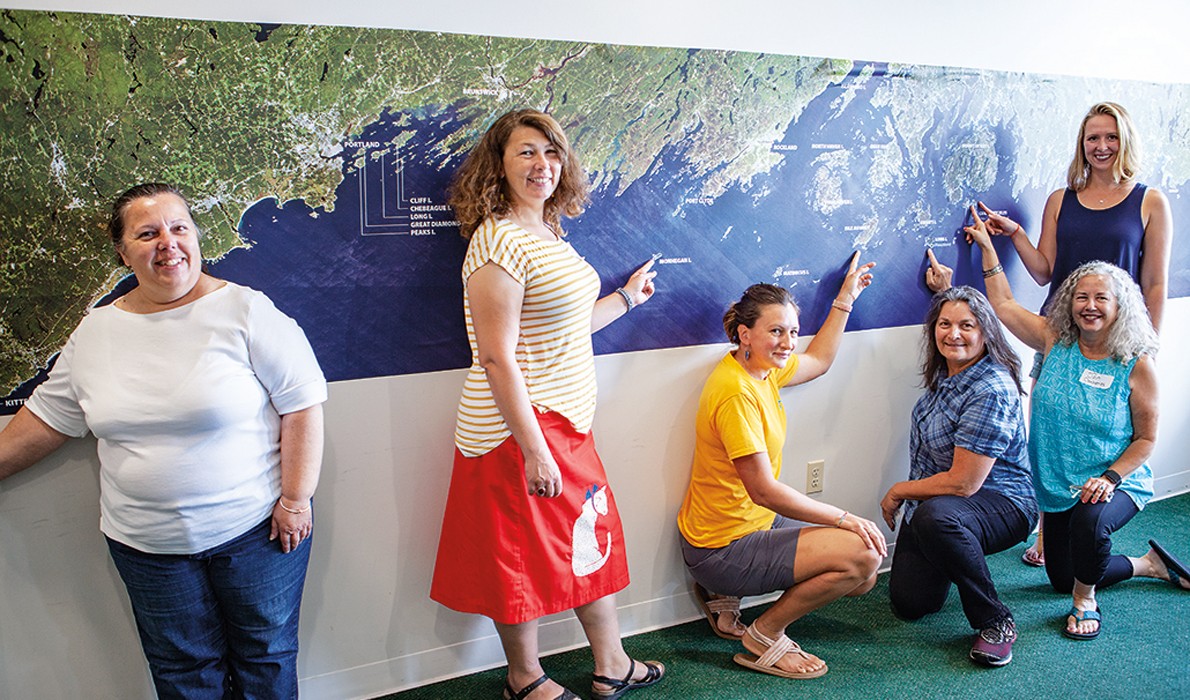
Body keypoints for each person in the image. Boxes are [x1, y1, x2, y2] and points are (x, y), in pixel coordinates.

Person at [0, 183, 327, 698]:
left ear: (196, 236)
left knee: (265, 660)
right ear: (123, 251)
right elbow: (47, 419)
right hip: (147, 547)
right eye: (147, 233)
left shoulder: (245, 311)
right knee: (182, 674)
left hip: (256, 534)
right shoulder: (95, 333)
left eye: (179, 228)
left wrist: (295, 498)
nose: (168, 243)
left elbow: (303, 404)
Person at [429, 109, 664, 700]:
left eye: (551, 152)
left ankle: (611, 663)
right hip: (516, 431)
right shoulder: (497, 240)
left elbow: (567, 327)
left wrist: (626, 301)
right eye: (526, 152)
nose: (542, 164)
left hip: (566, 422)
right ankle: (524, 678)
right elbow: (497, 357)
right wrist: (534, 450)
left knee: (590, 536)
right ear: (498, 164)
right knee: (517, 554)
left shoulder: (549, 233)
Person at [928, 101, 1172, 568]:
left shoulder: (1150, 202)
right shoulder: (1062, 200)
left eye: (1110, 137)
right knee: (1050, 433)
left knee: (1111, 433)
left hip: (1119, 343)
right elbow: (1043, 271)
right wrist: (1015, 235)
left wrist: (1144, 349)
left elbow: (1155, 283)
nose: (1101, 147)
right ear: (1082, 146)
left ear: (1125, 142)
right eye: (1092, 139)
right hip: (1060, 336)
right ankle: (1048, 527)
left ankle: (1104, 505)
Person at [964, 211, 1188, 641]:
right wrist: (991, 251)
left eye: (1101, 298)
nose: (1090, 306)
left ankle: (1086, 602)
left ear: (1120, 306)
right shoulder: (1056, 341)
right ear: (1070, 302)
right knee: (1061, 575)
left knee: (1090, 526)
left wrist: (1109, 477)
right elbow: (1006, 305)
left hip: (1117, 479)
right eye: (1081, 297)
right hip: (1059, 482)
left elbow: (1146, 439)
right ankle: (1147, 565)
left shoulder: (1138, 365)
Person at [676, 264, 886, 681]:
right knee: (862, 558)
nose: (788, 342)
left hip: (745, 528)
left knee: (863, 576)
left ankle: (723, 595)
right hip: (721, 548)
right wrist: (844, 516)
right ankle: (763, 635)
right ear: (744, 334)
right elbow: (764, 491)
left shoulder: (759, 370)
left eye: (793, 331)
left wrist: (845, 297)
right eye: (776, 331)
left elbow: (821, 360)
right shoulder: (736, 392)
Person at [880, 286, 1037, 667]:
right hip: (945, 507)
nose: (954, 333)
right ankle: (955, 549)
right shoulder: (947, 377)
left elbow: (964, 483)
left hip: (1003, 502)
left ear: (986, 332)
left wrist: (900, 491)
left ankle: (996, 621)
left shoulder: (990, 388)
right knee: (911, 603)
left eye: (967, 325)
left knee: (938, 517)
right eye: (945, 324)